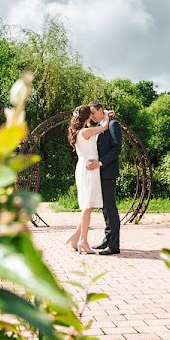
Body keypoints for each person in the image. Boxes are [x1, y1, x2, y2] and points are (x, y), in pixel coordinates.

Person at [65, 104, 110, 254]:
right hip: (89, 169)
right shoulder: (87, 131)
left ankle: (76, 237)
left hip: (84, 167)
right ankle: (83, 241)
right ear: (88, 116)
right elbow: (104, 127)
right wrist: (107, 115)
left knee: (87, 205)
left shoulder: (79, 132)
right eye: (91, 113)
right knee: (88, 206)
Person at [86, 101, 121, 255]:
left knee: (110, 208)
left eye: (93, 112)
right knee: (104, 208)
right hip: (98, 173)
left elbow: (116, 148)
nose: (92, 116)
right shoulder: (101, 125)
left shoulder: (113, 125)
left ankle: (114, 245)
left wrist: (100, 162)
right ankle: (107, 239)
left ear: (101, 110)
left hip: (108, 173)